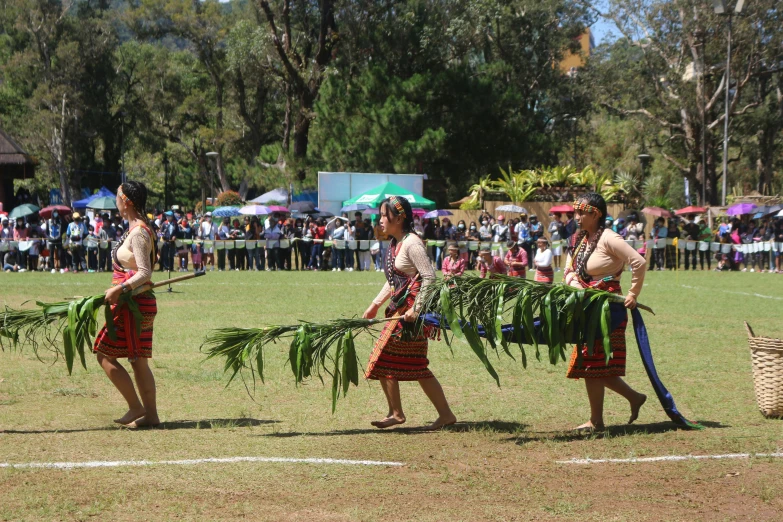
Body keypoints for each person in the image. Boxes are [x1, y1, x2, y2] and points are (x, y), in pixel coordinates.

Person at [362, 195, 456, 430]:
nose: (381, 219)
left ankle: (398, 413)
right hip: (402, 311)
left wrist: (417, 307)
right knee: (415, 365)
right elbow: (395, 280)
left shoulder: (412, 243)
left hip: (412, 315)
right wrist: (375, 304)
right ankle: (442, 415)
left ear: (399, 217)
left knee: (385, 358)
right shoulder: (396, 242)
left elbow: (429, 277)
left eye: (385, 215)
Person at [563, 193, 648, 432]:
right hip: (586, 305)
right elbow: (568, 270)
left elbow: (638, 262)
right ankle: (629, 400)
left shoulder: (609, 238)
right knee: (591, 364)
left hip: (607, 308)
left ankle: (598, 420)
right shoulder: (579, 239)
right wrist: (576, 285)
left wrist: (633, 293)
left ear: (596, 214)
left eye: (581, 213)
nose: (576, 217)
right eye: (576, 212)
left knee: (592, 364)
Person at [93, 181, 159, 428]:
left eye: (118, 196)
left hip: (135, 304)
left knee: (104, 355)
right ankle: (151, 416)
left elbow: (145, 272)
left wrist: (120, 289)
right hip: (134, 303)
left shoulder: (140, 233)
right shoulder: (134, 229)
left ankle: (135, 407)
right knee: (138, 359)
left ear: (127, 201)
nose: (116, 201)